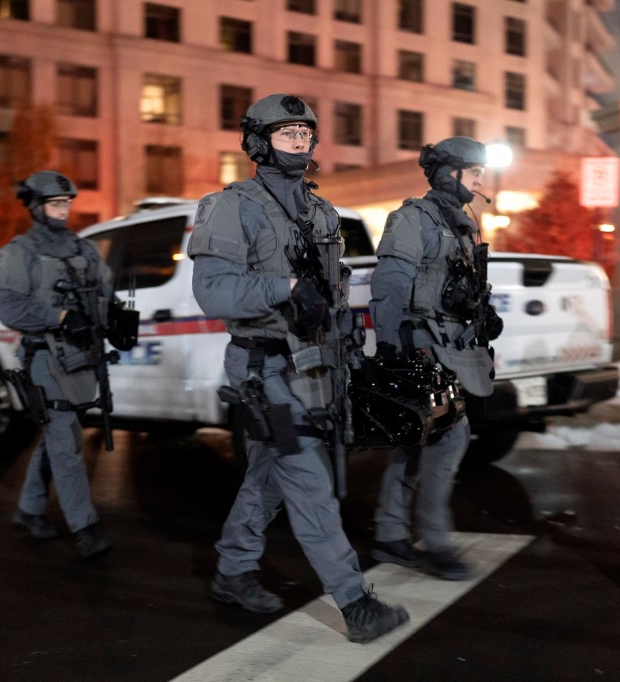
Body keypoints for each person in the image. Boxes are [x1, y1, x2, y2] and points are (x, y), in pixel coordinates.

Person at [186, 93, 409, 644]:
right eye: (287, 134)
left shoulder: (321, 210)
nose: (300, 141)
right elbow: (211, 291)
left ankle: (233, 571)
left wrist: (351, 346)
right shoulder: (229, 205)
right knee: (307, 477)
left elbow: (332, 292)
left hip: (319, 364)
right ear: (259, 142)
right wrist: (283, 288)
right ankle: (355, 603)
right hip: (265, 364)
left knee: (269, 477)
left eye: (306, 133)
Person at [367, 137, 504, 580]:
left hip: (453, 348)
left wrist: (485, 315)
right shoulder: (412, 220)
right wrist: (392, 349)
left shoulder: (460, 222)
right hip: (422, 348)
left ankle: (389, 535)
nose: (481, 179)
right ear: (451, 173)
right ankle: (436, 543)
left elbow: (458, 285)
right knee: (448, 439)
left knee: (414, 440)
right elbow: (389, 287)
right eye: (475, 171)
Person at [0, 170, 114, 560]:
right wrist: (57, 317)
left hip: (81, 358)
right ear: (36, 207)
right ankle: (85, 528)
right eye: (55, 204)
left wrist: (114, 319)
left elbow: (105, 291)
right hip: (44, 356)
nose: (63, 211)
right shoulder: (18, 253)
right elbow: (9, 306)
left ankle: (29, 509)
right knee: (66, 440)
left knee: (57, 436)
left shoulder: (83, 249)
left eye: (66, 204)